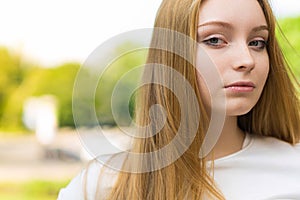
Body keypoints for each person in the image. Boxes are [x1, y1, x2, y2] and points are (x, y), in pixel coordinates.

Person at [58, 0, 300, 199]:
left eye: (257, 42)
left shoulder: (293, 168)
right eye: (214, 40)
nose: (246, 59)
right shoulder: (101, 184)